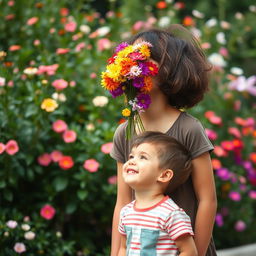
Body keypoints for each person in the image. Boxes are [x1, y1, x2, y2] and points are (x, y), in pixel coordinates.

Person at [110, 24, 217, 256]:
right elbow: (122, 202)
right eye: (129, 56)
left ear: (168, 68)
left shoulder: (189, 129)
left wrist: (195, 253)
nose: (132, 63)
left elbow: (207, 200)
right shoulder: (124, 133)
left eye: (142, 57)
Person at [118, 131, 197, 256]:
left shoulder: (171, 214)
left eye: (143, 157)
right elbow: (123, 248)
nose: (131, 161)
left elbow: (189, 252)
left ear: (164, 175)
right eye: (131, 156)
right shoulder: (126, 212)